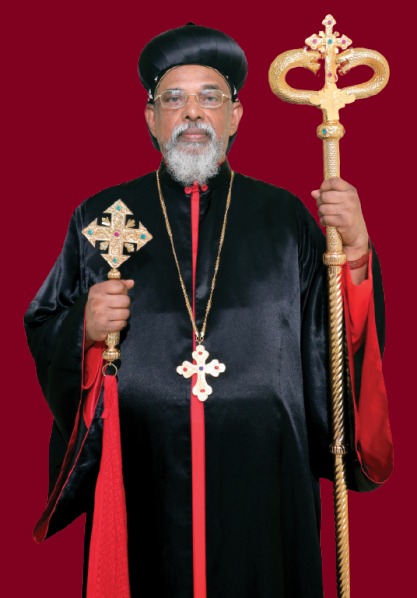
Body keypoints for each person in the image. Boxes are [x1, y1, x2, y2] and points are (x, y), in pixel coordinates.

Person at [24, 23, 393, 598]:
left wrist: (358, 254)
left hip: (266, 477)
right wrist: (84, 330)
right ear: (151, 118)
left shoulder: (284, 218)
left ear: (235, 115)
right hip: (145, 472)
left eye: (210, 97)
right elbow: (47, 326)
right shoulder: (103, 216)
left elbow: (336, 344)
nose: (192, 112)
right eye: (174, 98)